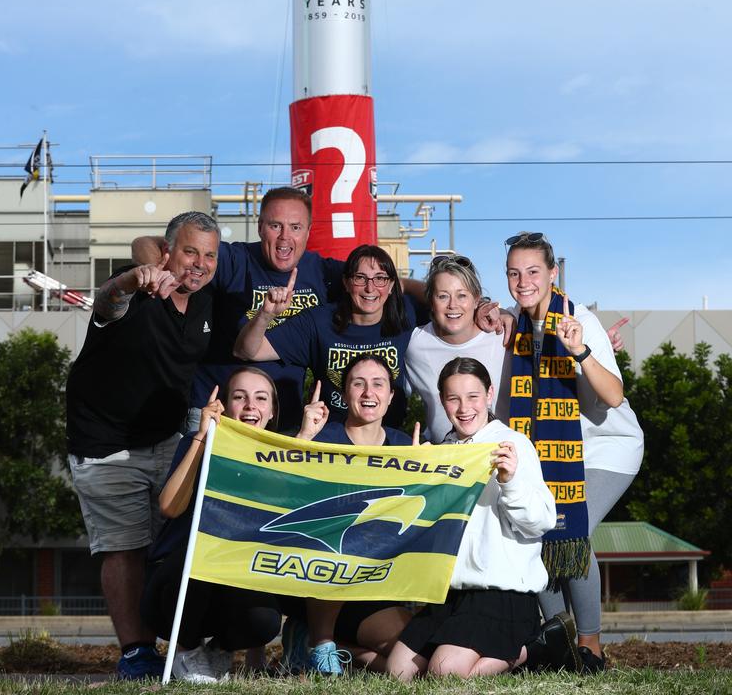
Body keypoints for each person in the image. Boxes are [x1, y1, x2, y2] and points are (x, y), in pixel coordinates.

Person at [66, 210, 219, 680]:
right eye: (189, 251)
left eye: (209, 255)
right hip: (105, 444)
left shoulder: (208, 300)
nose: (199, 264)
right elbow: (107, 301)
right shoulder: (132, 289)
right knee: (125, 547)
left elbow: (152, 240)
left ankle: (179, 647)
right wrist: (137, 275)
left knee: (175, 545)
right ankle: (135, 652)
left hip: (166, 439)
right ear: (168, 251)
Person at [133, 187, 425, 431]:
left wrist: (454, 299)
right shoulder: (235, 259)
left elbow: (387, 282)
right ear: (260, 227)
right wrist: (158, 274)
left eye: (295, 227)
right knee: (203, 498)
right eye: (275, 226)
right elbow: (147, 243)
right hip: (219, 411)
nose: (285, 238)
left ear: (309, 231)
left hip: (284, 416)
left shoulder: (323, 273)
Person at [504, 231, 644, 673]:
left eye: (532, 271)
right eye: (514, 272)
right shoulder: (515, 324)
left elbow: (615, 395)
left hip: (607, 449)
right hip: (547, 456)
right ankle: (558, 636)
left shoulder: (578, 320)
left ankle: (591, 647)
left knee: (572, 530)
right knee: (533, 531)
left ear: (553, 273)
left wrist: (579, 350)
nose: (523, 281)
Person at [386, 357, 557, 679]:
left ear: (490, 394)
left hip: (502, 593)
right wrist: (414, 479)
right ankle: (522, 649)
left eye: (473, 396)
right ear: (442, 401)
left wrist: (510, 481)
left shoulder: (513, 444)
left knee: (444, 672)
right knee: (398, 673)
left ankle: (533, 648)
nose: (464, 407)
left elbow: (540, 522)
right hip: (451, 592)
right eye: (453, 398)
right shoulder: (443, 449)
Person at [141, 368, 290, 682]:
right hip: (174, 586)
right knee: (206, 550)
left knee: (264, 620)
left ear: (272, 410)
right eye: (240, 397)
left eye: (261, 398)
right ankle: (186, 651)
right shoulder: (200, 443)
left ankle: (217, 652)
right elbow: (169, 506)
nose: (251, 405)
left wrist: (303, 439)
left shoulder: (280, 458)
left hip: (232, 585)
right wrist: (200, 437)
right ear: (224, 406)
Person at [282, 354, 417, 676]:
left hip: (374, 588)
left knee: (411, 665)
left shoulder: (406, 448)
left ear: (391, 396)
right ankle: (321, 640)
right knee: (340, 534)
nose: (368, 392)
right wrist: (303, 438)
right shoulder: (320, 438)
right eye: (359, 384)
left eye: (378, 384)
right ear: (344, 395)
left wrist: (422, 474)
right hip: (318, 584)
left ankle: (334, 650)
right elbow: (279, 490)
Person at [233, 244, 427, 428]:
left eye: (380, 278)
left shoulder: (405, 315)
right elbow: (248, 351)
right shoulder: (319, 321)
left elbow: (442, 298)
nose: (370, 288)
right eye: (360, 277)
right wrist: (265, 314)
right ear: (346, 282)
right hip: (330, 438)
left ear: (391, 285)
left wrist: (407, 284)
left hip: (388, 439)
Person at [404, 254, 510, 441]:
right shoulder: (414, 344)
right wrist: (401, 282)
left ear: (476, 299)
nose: (453, 305)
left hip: (501, 457)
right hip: (443, 459)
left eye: (462, 295)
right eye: (443, 296)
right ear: (431, 300)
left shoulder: (502, 335)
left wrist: (505, 313)